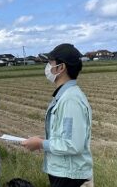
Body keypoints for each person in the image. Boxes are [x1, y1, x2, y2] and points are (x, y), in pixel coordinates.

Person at [22, 44, 93, 187]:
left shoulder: (70, 100)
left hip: (70, 176)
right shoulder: (64, 96)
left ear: (61, 68)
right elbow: (66, 136)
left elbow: (72, 144)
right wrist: (44, 140)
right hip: (64, 173)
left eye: (50, 63)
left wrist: (41, 144)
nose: (48, 67)